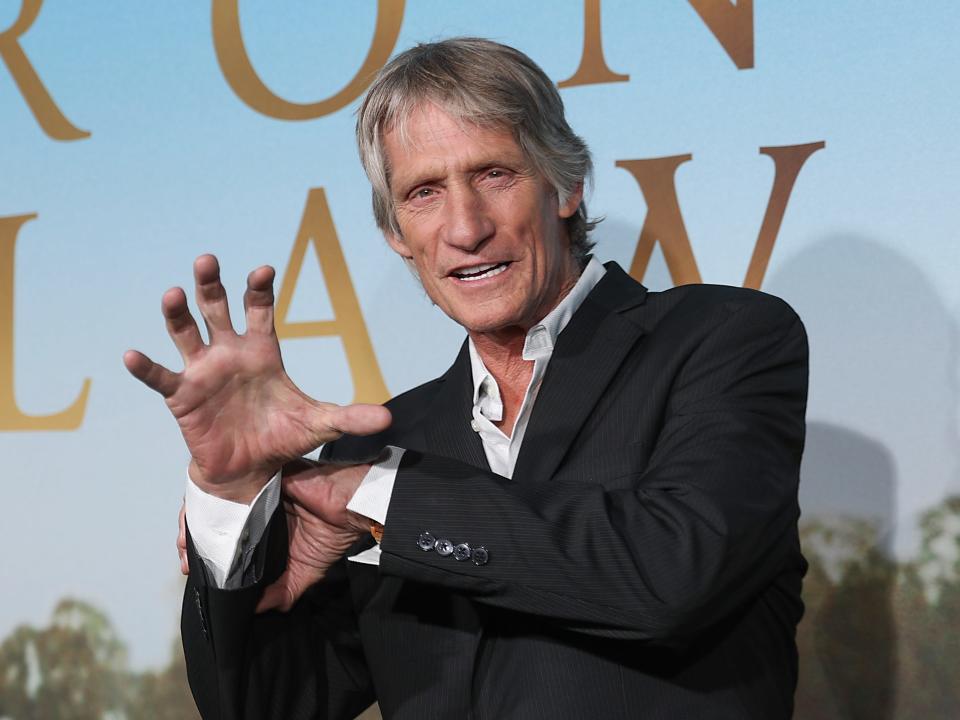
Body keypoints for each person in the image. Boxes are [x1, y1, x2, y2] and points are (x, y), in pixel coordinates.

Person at [126, 38, 809, 719]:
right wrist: (229, 498)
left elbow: (671, 575)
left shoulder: (723, 339)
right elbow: (266, 707)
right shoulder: (386, 446)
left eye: (494, 175)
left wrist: (374, 499)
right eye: (423, 193)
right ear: (397, 232)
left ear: (567, 184)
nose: (465, 227)